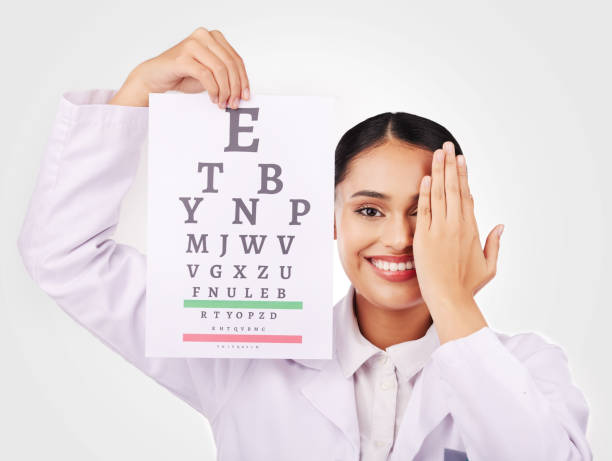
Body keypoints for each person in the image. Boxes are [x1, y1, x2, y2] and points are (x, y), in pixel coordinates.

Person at [17, 26, 592, 461]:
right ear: (332, 217)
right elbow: (63, 255)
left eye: (426, 212)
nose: (398, 236)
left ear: (460, 220)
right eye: (370, 209)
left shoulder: (527, 367)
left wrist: (455, 303)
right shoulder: (242, 348)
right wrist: (141, 89)